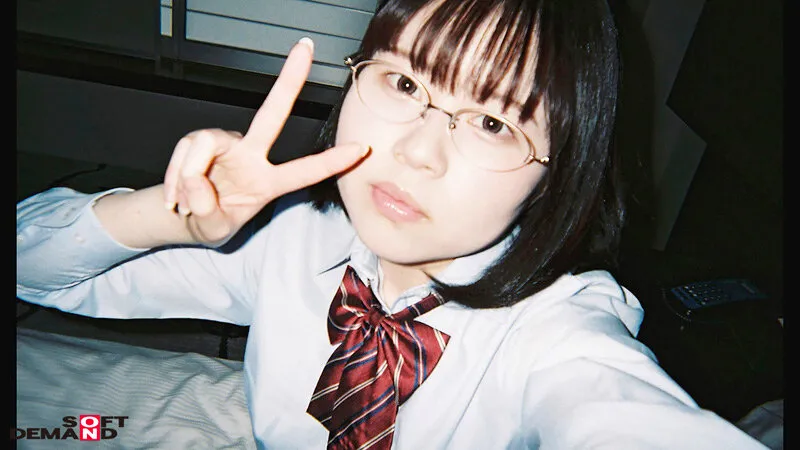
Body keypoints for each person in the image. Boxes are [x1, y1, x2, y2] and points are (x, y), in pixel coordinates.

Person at [16, 0, 767, 448]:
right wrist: (171, 214)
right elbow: (32, 269)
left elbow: (620, 413)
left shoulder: (556, 333)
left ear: (556, 175)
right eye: (404, 82)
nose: (416, 152)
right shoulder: (290, 242)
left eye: (493, 123)